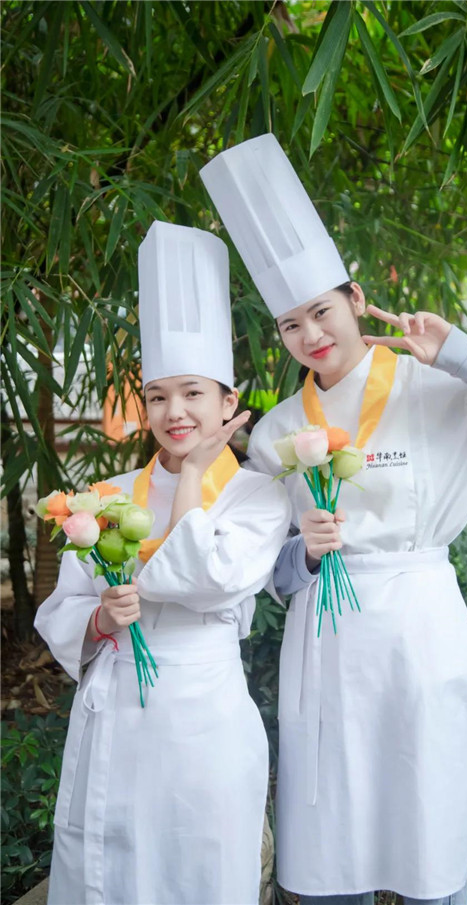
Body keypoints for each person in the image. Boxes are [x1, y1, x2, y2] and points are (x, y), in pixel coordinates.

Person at [200, 135, 467, 905]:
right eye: (290, 325)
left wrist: (461, 352)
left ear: (356, 297)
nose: (311, 336)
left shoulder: (437, 389)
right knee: (327, 843)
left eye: (321, 311)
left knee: (426, 833)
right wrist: (306, 556)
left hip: (421, 635)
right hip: (323, 650)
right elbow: (264, 566)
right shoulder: (276, 432)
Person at [35, 221, 291, 905]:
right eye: (157, 396)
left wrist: (194, 475)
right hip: (114, 713)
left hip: (204, 717)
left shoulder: (260, 496)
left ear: (229, 402)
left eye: (193, 393)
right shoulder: (107, 495)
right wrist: (98, 619)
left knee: (197, 871)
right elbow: (62, 608)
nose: (174, 411)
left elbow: (203, 581)